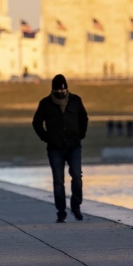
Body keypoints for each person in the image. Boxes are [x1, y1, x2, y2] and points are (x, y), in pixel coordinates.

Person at [32, 74, 88, 223]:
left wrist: (80, 135)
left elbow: (84, 118)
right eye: (58, 91)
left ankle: (76, 206)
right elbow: (36, 123)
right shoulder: (45, 103)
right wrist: (46, 137)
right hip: (55, 148)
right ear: (53, 90)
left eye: (63, 90)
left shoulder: (75, 101)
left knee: (77, 176)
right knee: (58, 181)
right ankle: (61, 211)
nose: (61, 93)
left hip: (74, 146)